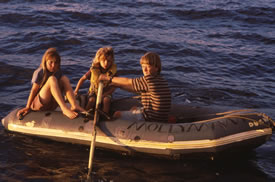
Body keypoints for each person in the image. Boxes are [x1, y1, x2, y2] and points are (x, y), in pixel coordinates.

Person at [99, 52, 171, 122]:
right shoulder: (160, 79)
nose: (145, 70)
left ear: (156, 68)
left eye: (148, 66)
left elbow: (128, 81)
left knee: (117, 114)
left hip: (150, 118)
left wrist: (108, 78)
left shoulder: (149, 80)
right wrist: (119, 85)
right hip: (160, 116)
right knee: (134, 108)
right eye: (143, 66)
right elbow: (134, 89)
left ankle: (111, 127)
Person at [17, 48, 85, 119]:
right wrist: (27, 107)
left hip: (52, 103)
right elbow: (33, 90)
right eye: (51, 62)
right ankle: (64, 109)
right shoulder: (40, 72)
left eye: (56, 63)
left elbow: (61, 87)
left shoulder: (58, 72)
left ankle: (74, 105)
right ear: (45, 62)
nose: (53, 66)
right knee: (52, 79)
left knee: (64, 78)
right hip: (39, 104)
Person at [74, 47, 117, 116]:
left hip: (106, 92)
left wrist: (104, 94)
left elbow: (114, 87)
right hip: (94, 92)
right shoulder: (94, 70)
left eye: (109, 61)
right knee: (92, 100)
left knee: (106, 100)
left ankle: (104, 115)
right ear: (99, 60)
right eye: (103, 60)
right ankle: (86, 113)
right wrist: (76, 90)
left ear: (111, 61)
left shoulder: (113, 72)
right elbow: (82, 79)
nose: (106, 63)